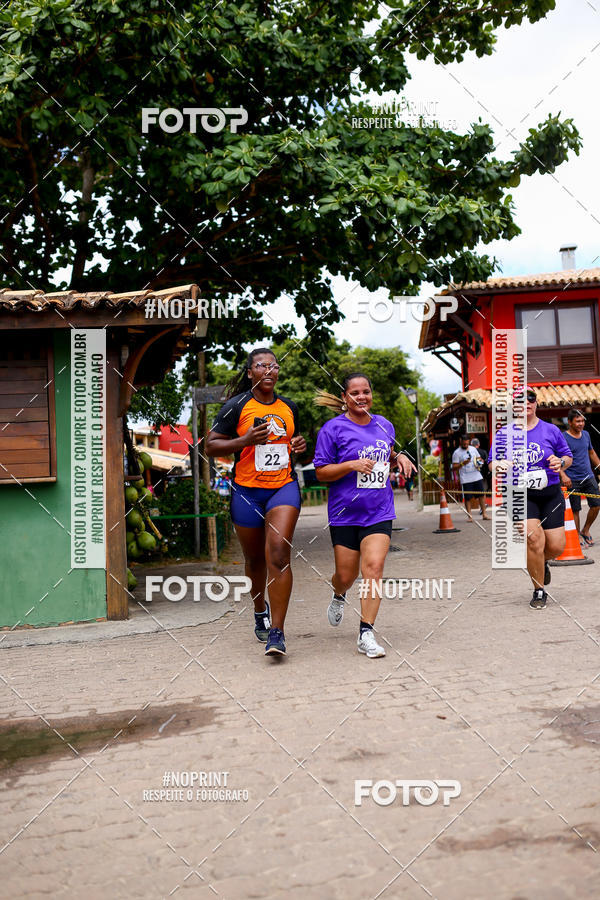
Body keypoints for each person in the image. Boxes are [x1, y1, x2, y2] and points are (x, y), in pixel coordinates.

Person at [205, 347, 306, 657]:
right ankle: (259, 608)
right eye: (260, 365)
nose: (268, 370)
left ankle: (277, 632)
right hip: (247, 491)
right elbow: (210, 445)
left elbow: (294, 445)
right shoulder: (235, 407)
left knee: (277, 552)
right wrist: (244, 441)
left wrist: (300, 446)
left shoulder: (289, 407)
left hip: (282, 488)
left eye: (273, 366)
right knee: (255, 560)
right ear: (250, 372)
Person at [312, 375, 416, 658]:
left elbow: (387, 452)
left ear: (372, 394)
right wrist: (349, 465)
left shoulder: (384, 424)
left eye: (366, 392)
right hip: (345, 514)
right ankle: (339, 594)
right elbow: (321, 472)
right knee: (345, 576)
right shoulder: (332, 429)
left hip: (378, 512)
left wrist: (401, 456)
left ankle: (366, 633)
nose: (361, 397)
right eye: (355, 393)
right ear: (345, 398)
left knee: (373, 568)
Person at [488, 386, 572, 609]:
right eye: (519, 400)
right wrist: (499, 465)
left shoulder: (551, 430)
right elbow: (491, 462)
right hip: (518, 495)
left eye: (530, 400)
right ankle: (539, 590)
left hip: (550, 493)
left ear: (536, 404)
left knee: (556, 547)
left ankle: (541, 561)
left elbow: (567, 456)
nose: (525, 404)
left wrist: (560, 463)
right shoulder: (504, 434)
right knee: (534, 539)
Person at [561, 409, 600, 546]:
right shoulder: (563, 438)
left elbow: (591, 452)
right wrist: (563, 475)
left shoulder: (586, 435)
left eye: (582, 421)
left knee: (596, 504)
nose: (581, 424)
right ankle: (576, 536)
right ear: (570, 422)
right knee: (575, 509)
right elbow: (557, 460)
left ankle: (585, 530)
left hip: (588, 476)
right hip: (572, 479)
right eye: (577, 421)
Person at [451, 435, 490, 521]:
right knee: (468, 497)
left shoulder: (473, 449)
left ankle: (484, 514)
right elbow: (453, 467)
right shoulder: (456, 453)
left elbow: (479, 458)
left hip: (476, 475)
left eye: (466, 443)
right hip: (465, 478)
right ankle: (470, 516)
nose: (465, 444)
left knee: (481, 495)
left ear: (469, 441)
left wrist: (480, 462)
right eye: (463, 443)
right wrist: (462, 464)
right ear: (461, 441)